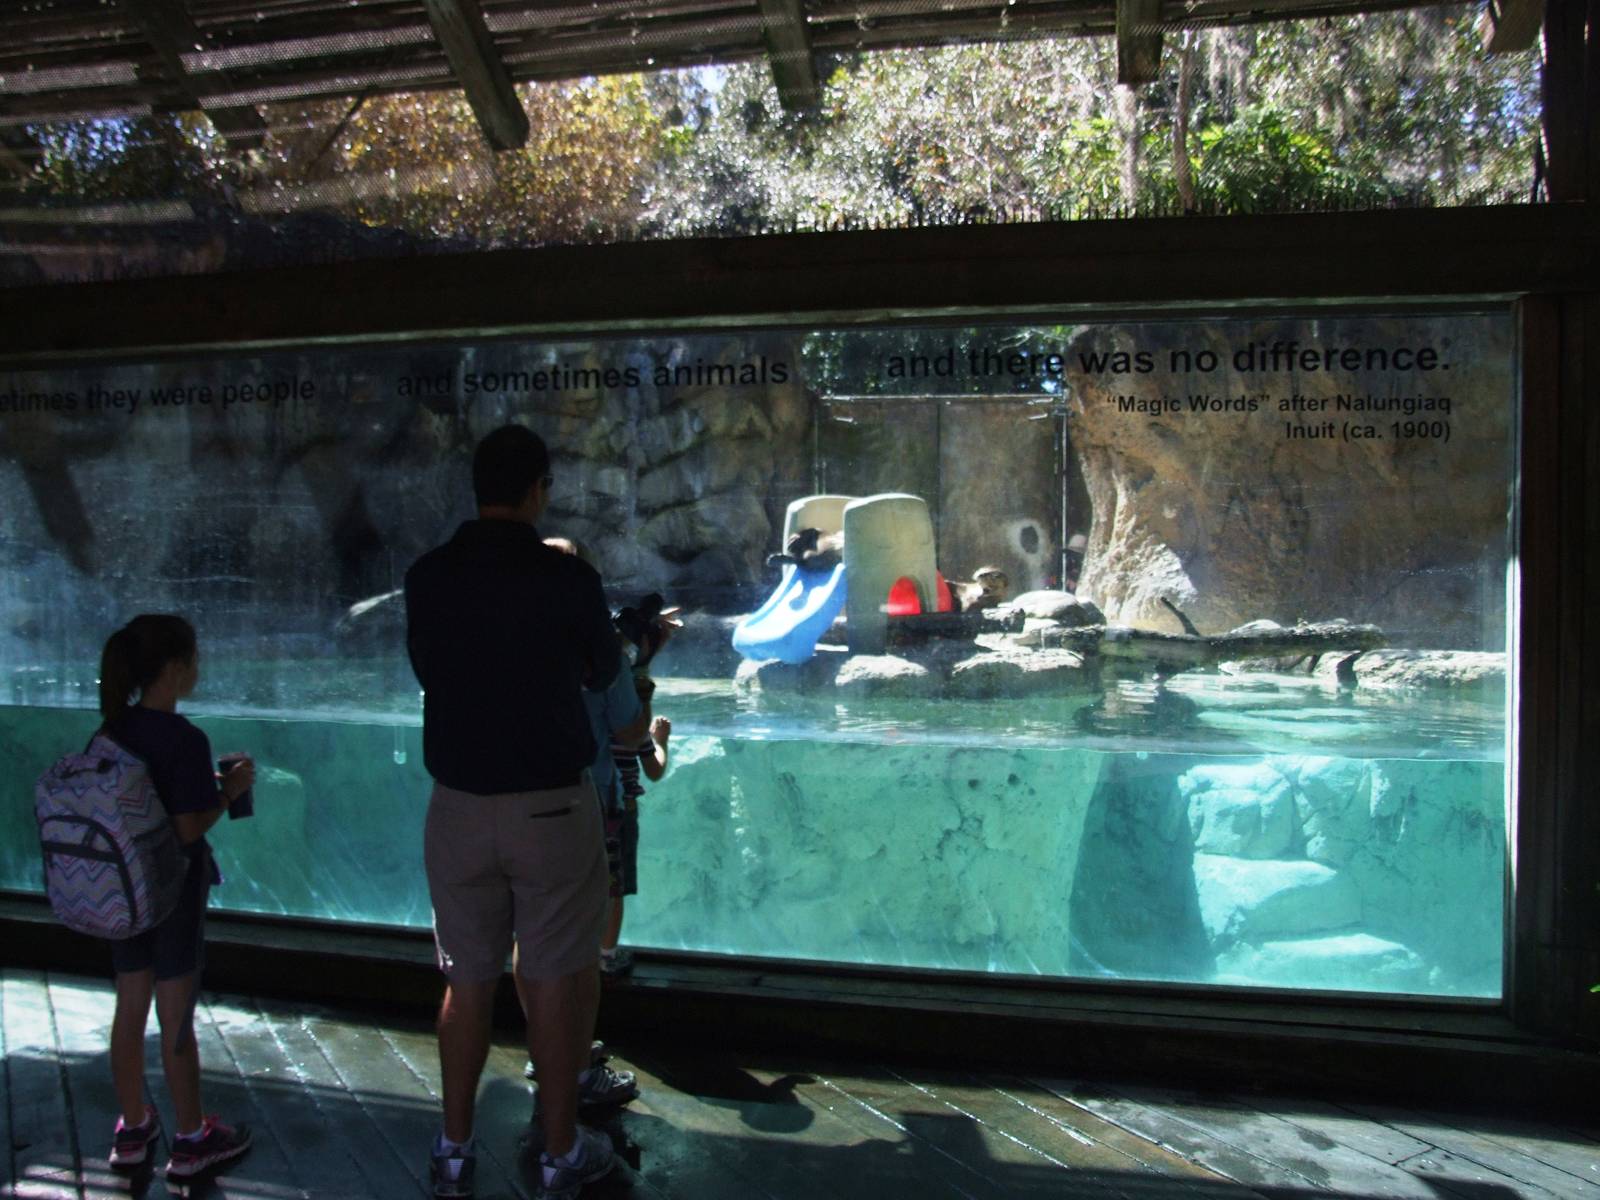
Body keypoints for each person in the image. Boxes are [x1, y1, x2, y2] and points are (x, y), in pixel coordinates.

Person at [405, 425, 632, 1200]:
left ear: (477, 489)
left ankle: (454, 1148)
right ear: (538, 490)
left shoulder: (428, 577)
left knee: (465, 984)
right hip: (549, 809)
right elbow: (605, 670)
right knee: (556, 977)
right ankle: (562, 1149)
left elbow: (427, 670)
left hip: (458, 806)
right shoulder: (567, 580)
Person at [96, 614, 255, 1180]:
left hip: (121, 891)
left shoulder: (113, 730)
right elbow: (188, 827)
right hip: (172, 893)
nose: (198, 667)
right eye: (193, 659)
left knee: (129, 1008)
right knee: (177, 1019)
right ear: (173, 668)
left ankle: (134, 1128)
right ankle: (191, 1138)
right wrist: (231, 790)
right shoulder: (185, 739)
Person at [603, 691, 671, 976]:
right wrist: (661, 741)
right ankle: (606, 956)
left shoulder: (592, 726)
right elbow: (654, 770)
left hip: (587, 810)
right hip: (621, 814)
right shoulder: (633, 732)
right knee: (613, 887)